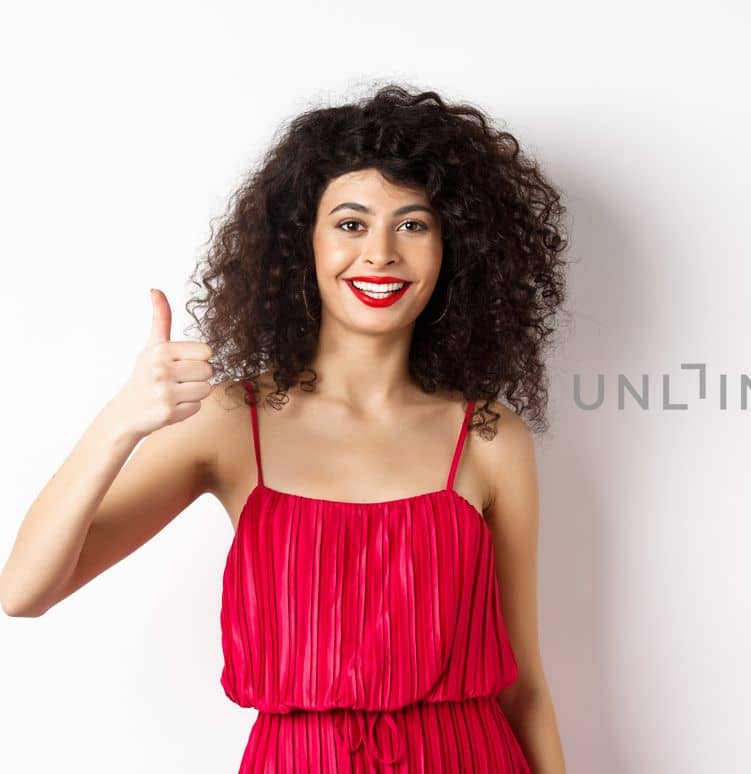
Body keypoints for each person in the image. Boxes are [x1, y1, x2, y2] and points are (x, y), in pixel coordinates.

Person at [0, 83, 571, 773]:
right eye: (352, 224)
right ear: (302, 242)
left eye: (414, 224)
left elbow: (525, 687)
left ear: (455, 249)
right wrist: (121, 422)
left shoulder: (488, 435)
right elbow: (23, 592)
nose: (382, 253)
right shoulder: (230, 424)